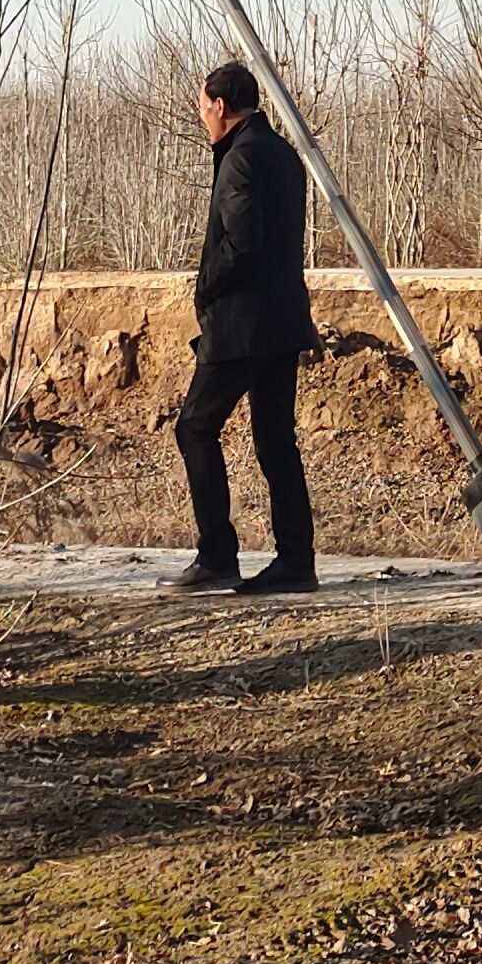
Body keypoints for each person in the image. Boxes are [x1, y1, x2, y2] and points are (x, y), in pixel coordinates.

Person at [174, 62, 319, 596]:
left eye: (203, 106)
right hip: (284, 321)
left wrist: (206, 287)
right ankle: (297, 561)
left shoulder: (239, 160)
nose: (202, 116)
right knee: (277, 441)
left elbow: (243, 244)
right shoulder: (283, 155)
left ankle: (217, 555)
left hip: (241, 326)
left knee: (194, 428)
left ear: (221, 106)